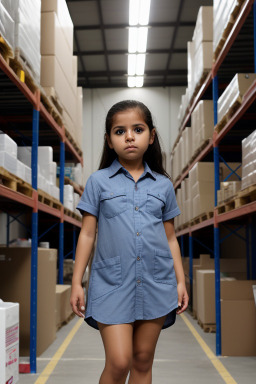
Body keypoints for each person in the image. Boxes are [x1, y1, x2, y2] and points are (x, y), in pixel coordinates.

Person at [70, 100, 189, 384]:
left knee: (143, 360)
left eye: (138, 129)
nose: (130, 137)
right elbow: (87, 234)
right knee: (119, 361)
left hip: (156, 281)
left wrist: (181, 281)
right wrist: (77, 282)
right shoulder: (98, 182)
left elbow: (170, 237)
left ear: (152, 135)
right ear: (109, 141)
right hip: (112, 283)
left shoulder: (162, 185)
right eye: (119, 131)